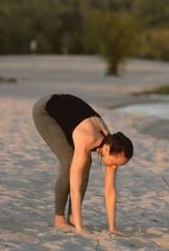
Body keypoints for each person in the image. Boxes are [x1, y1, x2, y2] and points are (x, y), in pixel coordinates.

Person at [32, 94, 134, 235]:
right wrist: (81, 229)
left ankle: (73, 219)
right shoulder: (87, 138)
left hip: (72, 112)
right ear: (106, 149)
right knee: (69, 161)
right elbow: (75, 187)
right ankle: (60, 220)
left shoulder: (112, 142)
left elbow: (110, 192)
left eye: (119, 165)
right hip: (45, 110)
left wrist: (112, 228)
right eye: (115, 163)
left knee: (85, 163)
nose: (115, 167)